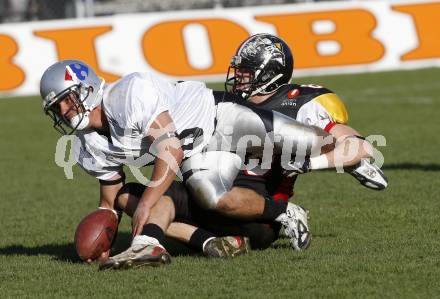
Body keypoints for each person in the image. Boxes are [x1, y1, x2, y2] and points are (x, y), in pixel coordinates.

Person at [39, 59, 366, 268]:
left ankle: (356, 154)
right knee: (197, 193)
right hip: (199, 150)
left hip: (219, 116)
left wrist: (146, 205)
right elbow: (110, 201)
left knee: (312, 141)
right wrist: (102, 239)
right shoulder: (88, 144)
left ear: (89, 88)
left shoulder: (128, 94)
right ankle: (275, 217)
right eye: (58, 108)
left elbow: (170, 149)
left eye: (69, 99)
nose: (65, 111)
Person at [173, 33, 388, 249]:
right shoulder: (230, 103)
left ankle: (347, 166)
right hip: (215, 187)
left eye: (245, 73)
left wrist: (312, 164)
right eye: (238, 72)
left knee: (253, 232)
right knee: (148, 202)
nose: (238, 79)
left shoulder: (298, 104)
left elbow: (361, 146)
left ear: (269, 74)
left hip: (258, 202)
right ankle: (207, 242)